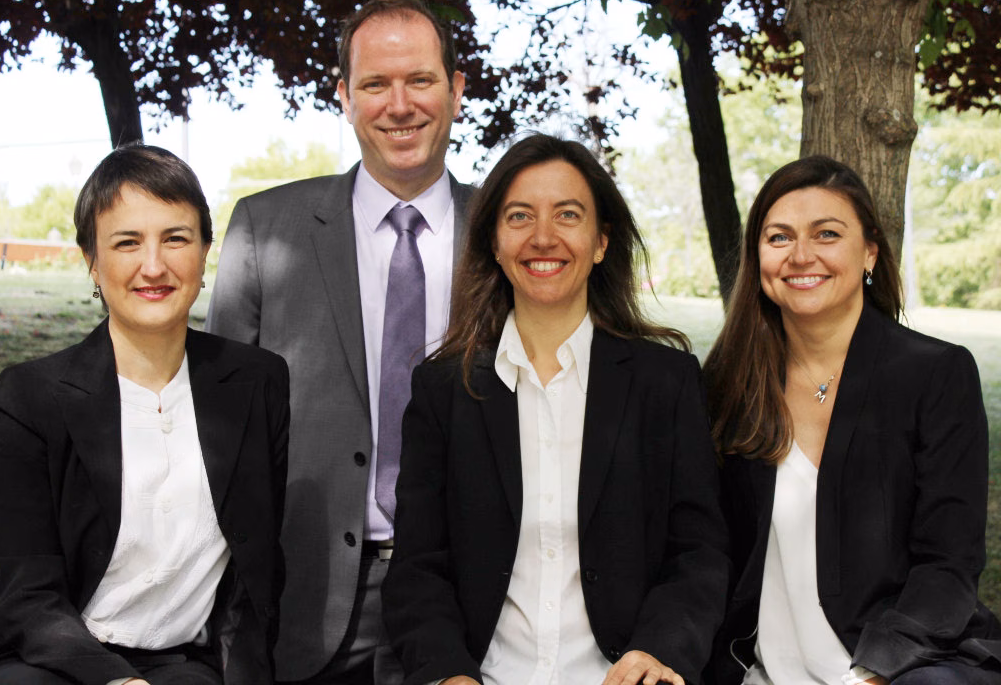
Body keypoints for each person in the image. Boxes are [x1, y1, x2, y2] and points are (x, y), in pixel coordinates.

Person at [382, 133, 730, 685]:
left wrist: (658, 651)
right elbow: (419, 568)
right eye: (519, 216)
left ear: (600, 241)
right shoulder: (442, 390)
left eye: (567, 215)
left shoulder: (665, 383)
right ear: (494, 241)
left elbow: (699, 553)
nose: (543, 238)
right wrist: (449, 674)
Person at [206, 0, 472, 685]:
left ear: (456, 88)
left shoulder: (511, 233)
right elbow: (218, 432)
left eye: (420, 80)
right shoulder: (268, 229)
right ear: (344, 97)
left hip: (471, 600)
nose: (400, 104)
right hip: (308, 597)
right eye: (375, 85)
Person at [0, 144, 289, 685]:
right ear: (92, 262)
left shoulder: (258, 382)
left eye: (176, 238)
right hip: (49, 656)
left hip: (183, 661)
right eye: (127, 243)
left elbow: (256, 566)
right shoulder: (31, 397)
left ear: (206, 251)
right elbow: (27, 592)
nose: (154, 266)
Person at [703, 155, 1001, 685]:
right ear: (758, 259)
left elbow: (948, 563)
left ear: (869, 250)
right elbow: (699, 547)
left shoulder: (935, 374)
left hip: (905, 662)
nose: (801, 255)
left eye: (826, 234)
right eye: (778, 238)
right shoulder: (728, 383)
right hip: (757, 667)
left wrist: (873, 673)